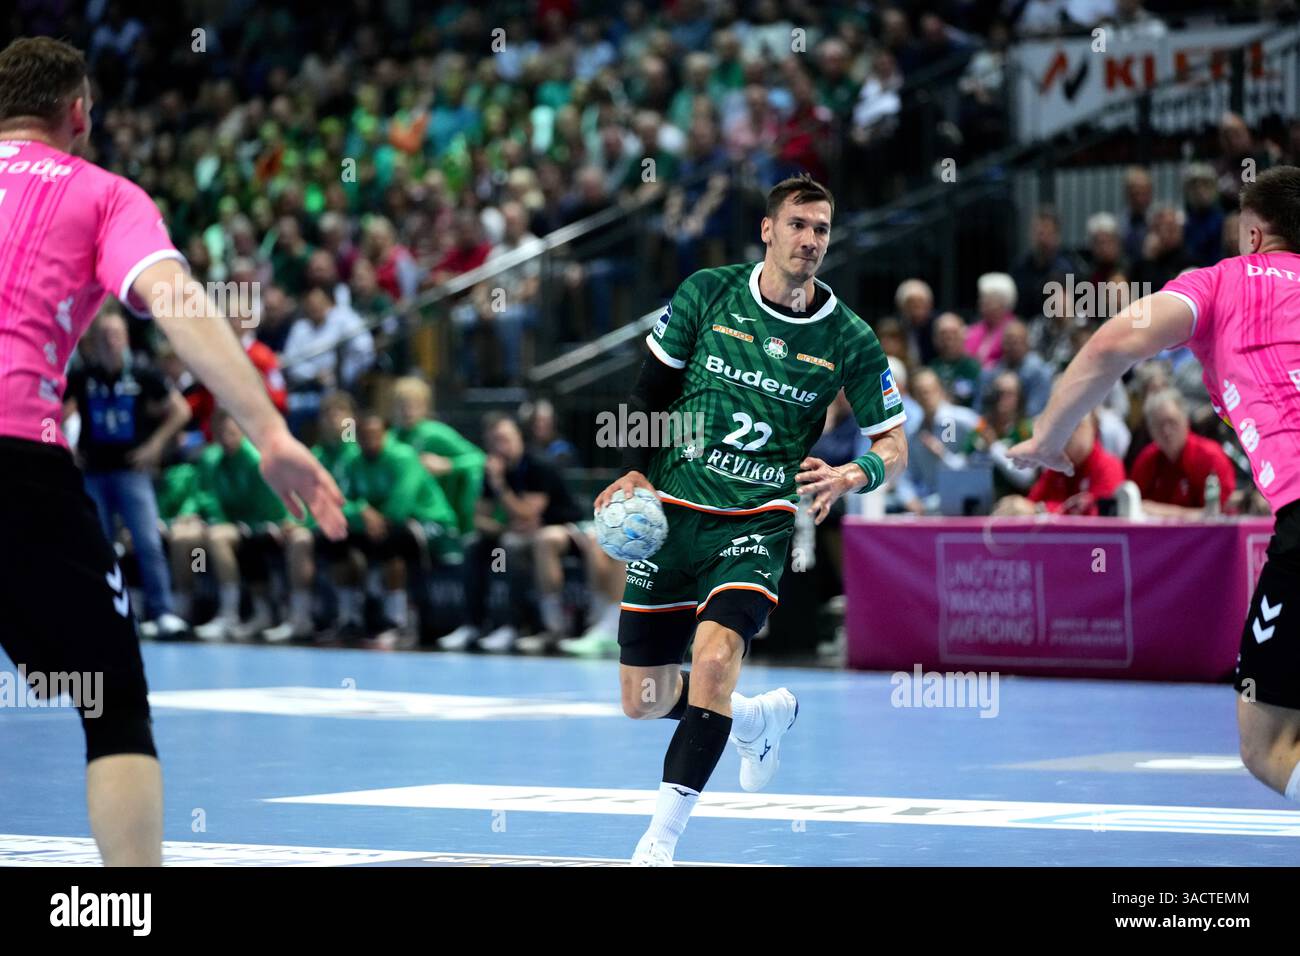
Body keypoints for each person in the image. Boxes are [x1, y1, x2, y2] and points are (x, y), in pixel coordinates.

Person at [0, 37, 344, 867]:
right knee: (111, 701)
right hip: (17, 461)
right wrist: (270, 432)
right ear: (79, 113)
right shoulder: (105, 197)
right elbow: (178, 302)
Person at [593, 175, 908, 865]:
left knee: (711, 662)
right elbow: (651, 389)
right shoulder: (708, 292)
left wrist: (854, 473)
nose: (810, 240)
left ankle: (658, 842)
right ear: (768, 230)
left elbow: (894, 442)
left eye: (821, 229)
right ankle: (754, 718)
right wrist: (636, 468)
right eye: (797, 224)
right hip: (673, 512)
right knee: (643, 699)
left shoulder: (848, 337)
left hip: (755, 522)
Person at [1009, 165, 1300, 804]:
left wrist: (1048, 437)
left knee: (1267, 741)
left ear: (1253, 237)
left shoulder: (1222, 282)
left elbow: (1113, 341)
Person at [64, 311, 191, 639]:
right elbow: (51, 411)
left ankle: (161, 611)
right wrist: (66, 445)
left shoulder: (144, 372)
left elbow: (181, 410)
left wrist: (154, 446)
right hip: (93, 472)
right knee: (99, 547)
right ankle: (106, 614)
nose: (110, 341)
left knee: (147, 541)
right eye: (104, 335)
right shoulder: (82, 374)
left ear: (126, 339)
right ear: (94, 340)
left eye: (116, 335)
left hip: (132, 471)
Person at [1129, 387, 1236, 517]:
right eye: (1158, 425)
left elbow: (1219, 514)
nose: (1166, 431)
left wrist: (1159, 511)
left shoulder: (1210, 457)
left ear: (1186, 421)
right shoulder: (1146, 460)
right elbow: (1132, 510)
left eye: (1172, 422)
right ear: (1150, 430)